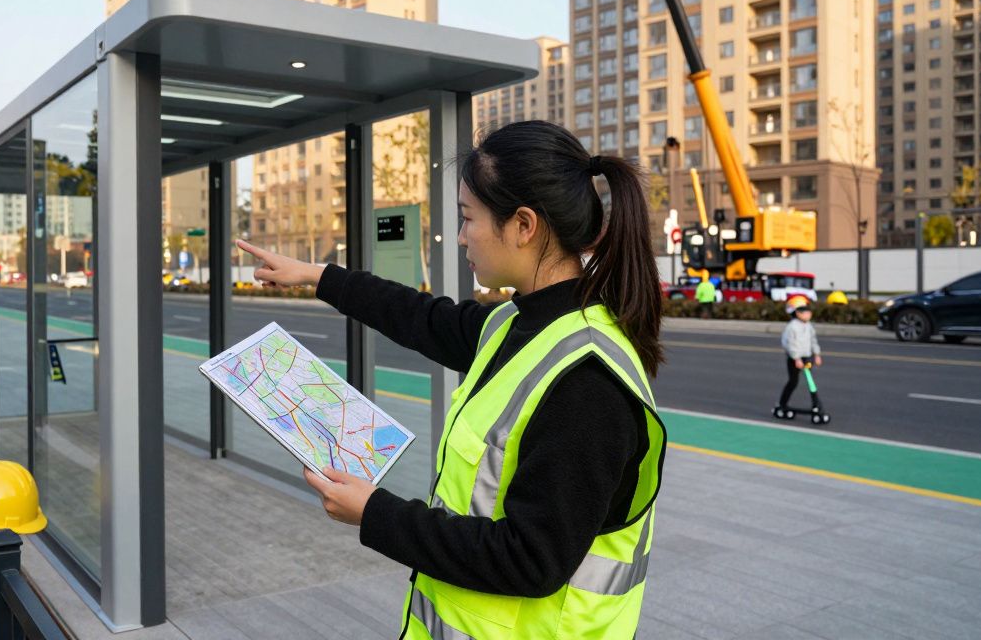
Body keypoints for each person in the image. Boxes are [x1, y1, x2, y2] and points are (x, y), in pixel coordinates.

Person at [236, 120, 667, 639]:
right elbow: (420, 316)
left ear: (523, 225)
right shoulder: (513, 323)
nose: (461, 236)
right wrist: (317, 276)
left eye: (467, 218)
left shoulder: (586, 383)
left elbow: (531, 560)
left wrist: (375, 513)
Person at [778, 295, 823, 412]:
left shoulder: (809, 326)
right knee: (793, 381)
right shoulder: (792, 327)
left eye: (809, 312)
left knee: (810, 380)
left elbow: (813, 340)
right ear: (797, 313)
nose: (809, 314)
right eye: (805, 312)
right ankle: (782, 403)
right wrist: (796, 358)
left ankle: (816, 404)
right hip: (794, 360)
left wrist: (817, 354)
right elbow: (790, 344)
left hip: (807, 357)